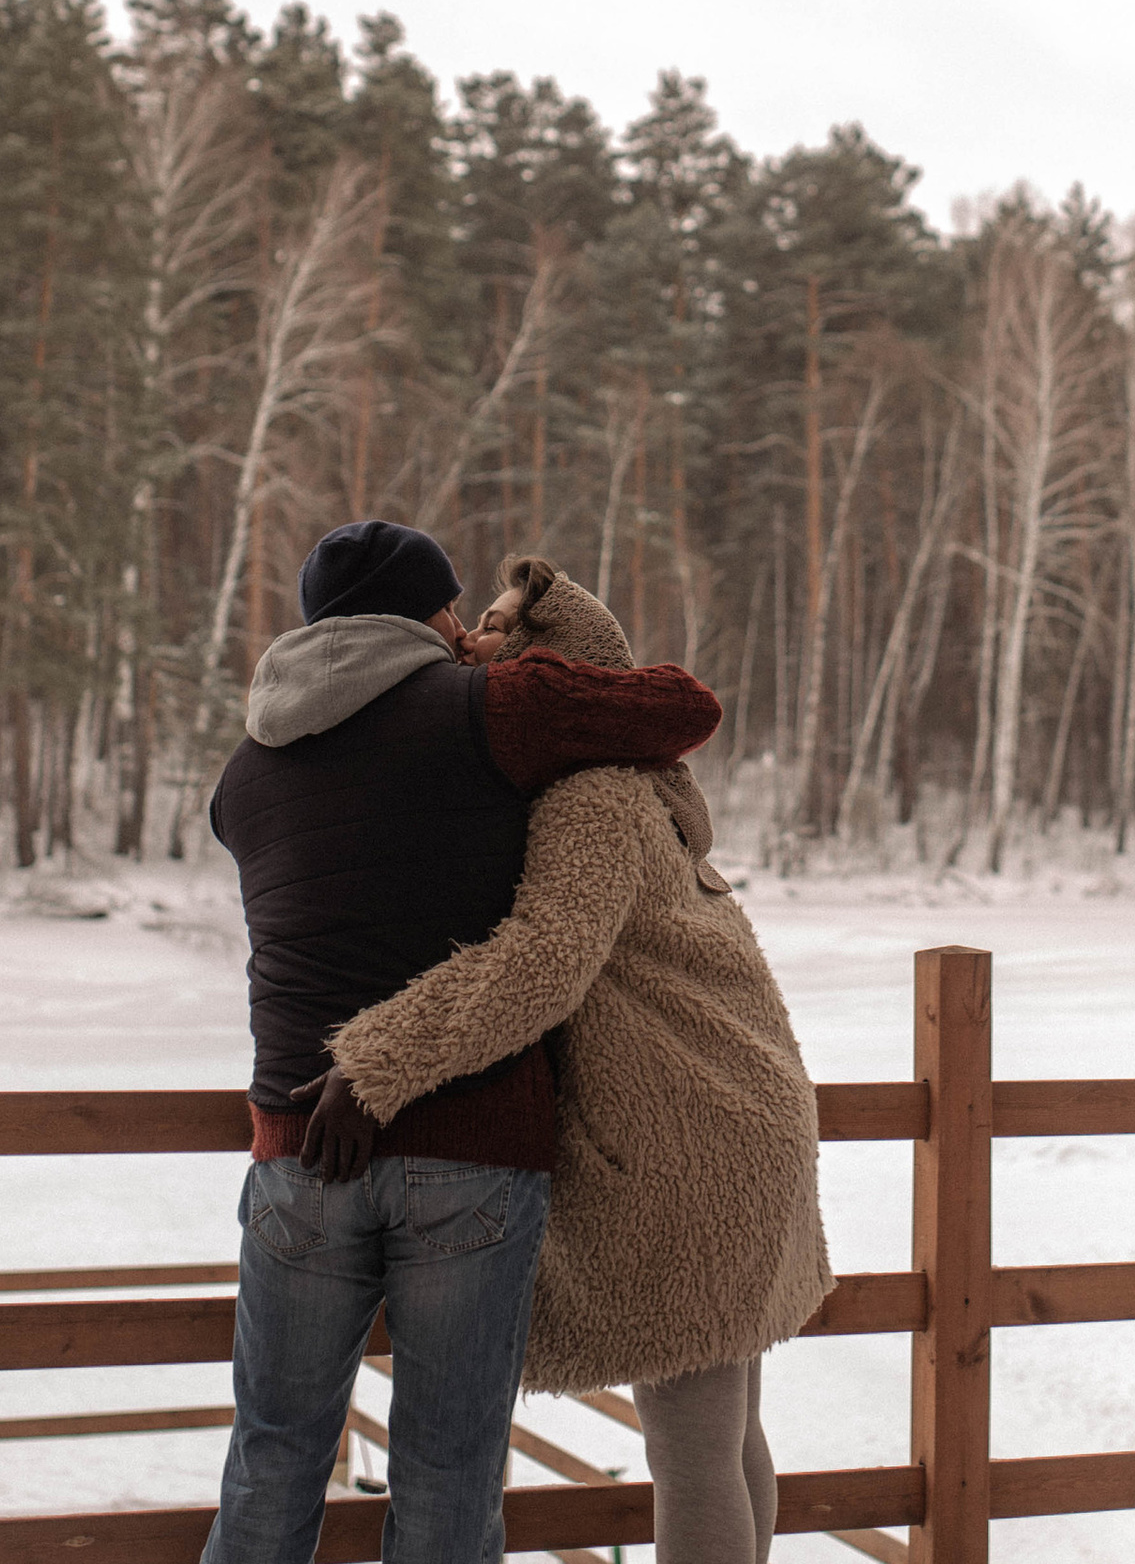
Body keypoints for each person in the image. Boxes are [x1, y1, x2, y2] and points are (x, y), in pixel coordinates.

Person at [204, 521, 721, 1564]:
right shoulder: (490, 705)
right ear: (434, 615)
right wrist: (509, 664)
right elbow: (683, 707)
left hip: (297, 1143)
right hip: (470, 1146)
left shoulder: (247, 769)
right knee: (447, 1467)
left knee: (271, 1456)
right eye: (452, 610)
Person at [299, 558, 833, 1564]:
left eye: (497, 627)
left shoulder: (590, 796)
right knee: (730, 1428)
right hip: (742, 1130)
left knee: (692, 1451)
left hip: (694, 1155)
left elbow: (541, 963)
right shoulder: (648, 797)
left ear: (556, 658)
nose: (470, 640)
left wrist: (375, 1058)